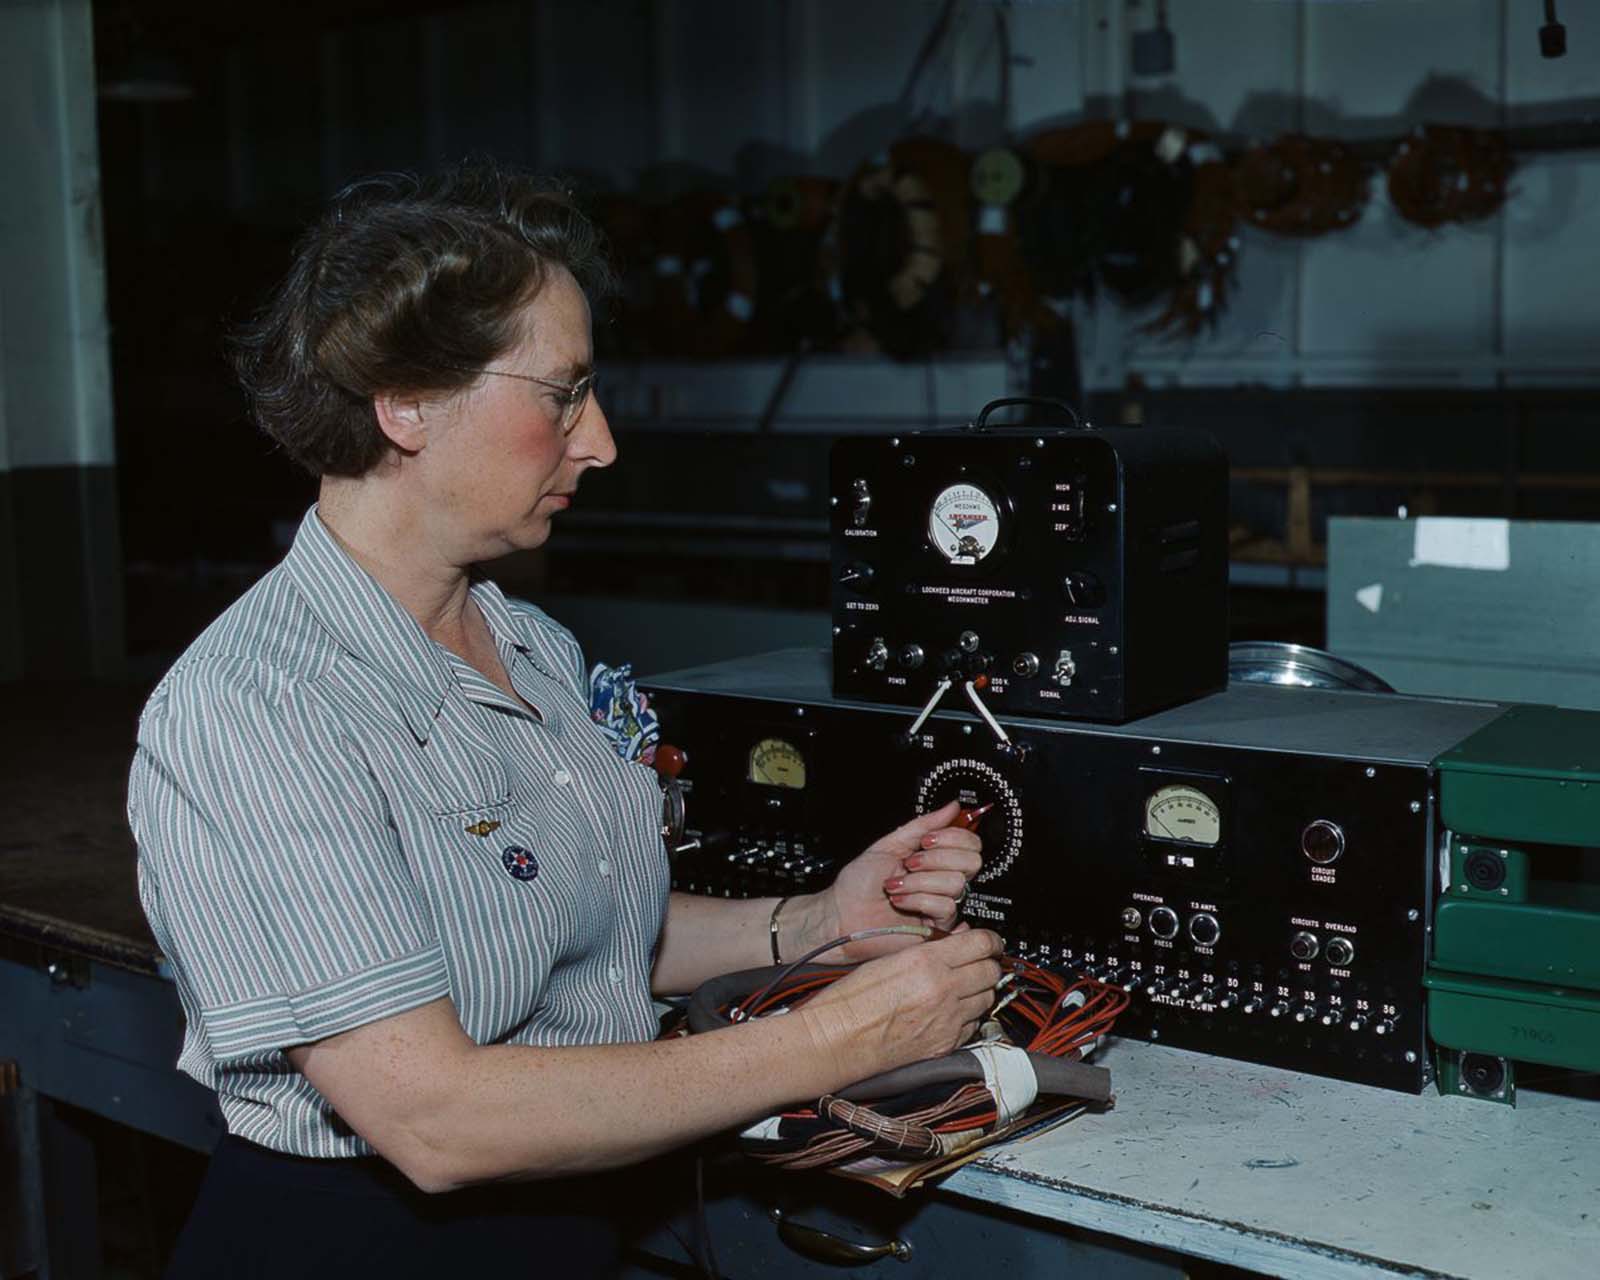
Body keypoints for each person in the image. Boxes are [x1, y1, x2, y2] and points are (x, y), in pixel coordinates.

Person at [127, 161, 1002, 1278]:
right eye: (562, 393)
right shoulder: (259, 707)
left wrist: (815, 917)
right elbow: (436, 1119)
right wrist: (835, 1038)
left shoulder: (528, 644)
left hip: (569, 1228)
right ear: (405, 402)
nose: (600, 442)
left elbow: (568, 923)